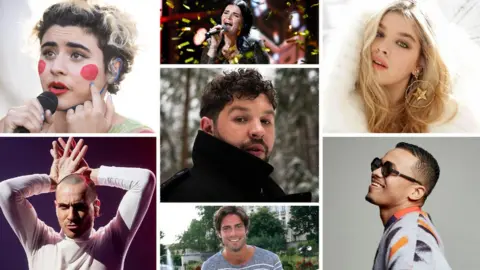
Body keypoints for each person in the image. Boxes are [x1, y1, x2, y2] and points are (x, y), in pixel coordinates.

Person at [322, 0, 480, 133]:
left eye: (402, 44)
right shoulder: (335, 117)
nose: (382, 48)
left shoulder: (453, 125)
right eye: (379, 34)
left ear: (420, 63)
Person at [0, 137, 156, 269]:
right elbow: (5, 191)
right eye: (64, 206)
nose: (71, 216)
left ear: (96, 208)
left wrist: (90, 174)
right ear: (56, 207)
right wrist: (53, 181)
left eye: (79, 206)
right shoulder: (39, 241)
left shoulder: (110, 243)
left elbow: (144, 180)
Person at [0, 0, 152, 133]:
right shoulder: (11, 127)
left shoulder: (141, 137)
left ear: (113, 69)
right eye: (49, 53)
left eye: (76, 55)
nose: (56, 67)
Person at [161, 69, 311, 202]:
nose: (259, 131)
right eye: (241, 119)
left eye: (265, 121)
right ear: (208, 127)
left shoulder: (267, 191)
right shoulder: (185, 196)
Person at [366, 142, 451, 269]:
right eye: (378, 164)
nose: (376, 173)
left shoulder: (412, 241)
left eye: (388, 169)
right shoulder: (406, 229)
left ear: (416, 192)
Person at [201, 206, 283, 270]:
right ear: (219, 233)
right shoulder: (209, 267)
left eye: (238, 226)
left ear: (246, 229)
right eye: (226, 228)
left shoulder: (271, 261)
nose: (233, 233)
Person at [200, 0, 270, 64]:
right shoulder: (210, 43)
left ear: (243, 24)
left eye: (235, 15)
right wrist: (213, 48)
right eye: (226, 13)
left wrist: (235, 59)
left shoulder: (254, 44)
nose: (228, 17)